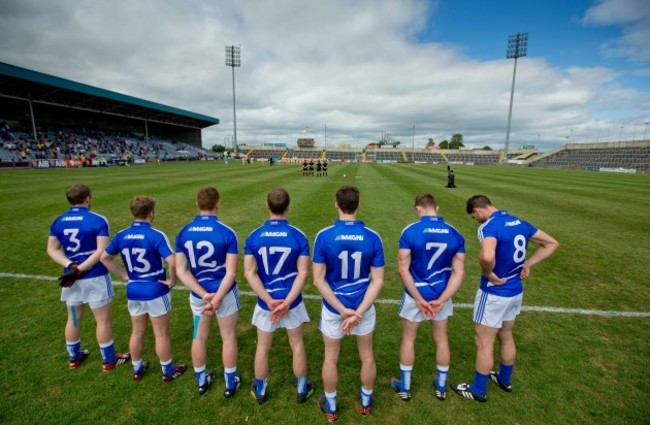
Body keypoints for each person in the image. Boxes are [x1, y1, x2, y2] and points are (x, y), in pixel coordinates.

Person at [451, 195, 559, 402]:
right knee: (506, 334)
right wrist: (527, 264)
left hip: (494, 293)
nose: (476, 221)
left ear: (478, 211)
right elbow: (552, 243)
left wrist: (489, 273)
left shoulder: (488, 227)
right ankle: (504, 379)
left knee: (484, 341)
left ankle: (478, 390)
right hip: (515, 292)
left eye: (475, 217)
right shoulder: (520, 222)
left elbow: (487, 256)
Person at [312, 185, 385, 421]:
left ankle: (331, 408)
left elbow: (318, 281)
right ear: (358, 205)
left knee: (331, 357)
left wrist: (344, 311)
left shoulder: (324, 236)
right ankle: (366, 403)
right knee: (367, 356)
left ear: (336, 204)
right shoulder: (373, 237)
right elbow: (378, 282)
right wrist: (357, 313)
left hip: (335, 309)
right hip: (363, 309)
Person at [101, 195, 187, 383]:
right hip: (155, 289)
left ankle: (137, 368)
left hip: (134, 291)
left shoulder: (122, 235)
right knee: (161, 333)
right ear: (151, 213)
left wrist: (124, 276)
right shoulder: (156, 235)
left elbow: (104, 258)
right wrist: (172, 281)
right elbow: (173, 262)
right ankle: (168, 371)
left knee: (137, 331)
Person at [47, 184, 131, 371]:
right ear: (87, 198)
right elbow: (101, 252)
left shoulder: (59, 221)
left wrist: (71, 266)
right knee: (102, 320)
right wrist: (80, 269)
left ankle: (74, 357)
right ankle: (109, 360)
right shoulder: (98, 220)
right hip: (95, 276)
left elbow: (52, 249)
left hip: (71, 279)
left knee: (74, 318)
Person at [391, 193, 465, 402]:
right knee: (441, 339)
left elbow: (402, 269)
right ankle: (441, 386)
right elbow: (459, 273)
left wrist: (418, 298)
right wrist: (442, 299)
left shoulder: (410, 231)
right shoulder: (455, 233)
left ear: (418, 208)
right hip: (442, 294)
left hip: (415, 295)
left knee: (408, 338)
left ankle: (405, 388)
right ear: (436, 208)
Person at [244, 188, 313, 404]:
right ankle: (301, 389)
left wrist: (268, 300)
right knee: (297, 344)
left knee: (262, 347)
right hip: (292, 302)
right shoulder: (298, 235)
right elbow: (303, 273)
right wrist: (288, 302)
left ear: (267, 205)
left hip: (267, 305)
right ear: (288, 207)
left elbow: (249, 273)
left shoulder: (254, 236)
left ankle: (261, 390)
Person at [175, 187, 242, 397]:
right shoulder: (227, 232)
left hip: (199, 297)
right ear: (217, 204)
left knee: (199, 337)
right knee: (228, 337)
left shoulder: (184, 232)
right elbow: (230, 274)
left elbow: (181, 270)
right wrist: (216, 298)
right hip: (225, 295)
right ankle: (230, 384)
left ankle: (201, 382)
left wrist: (204, 295)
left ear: (197, 204)